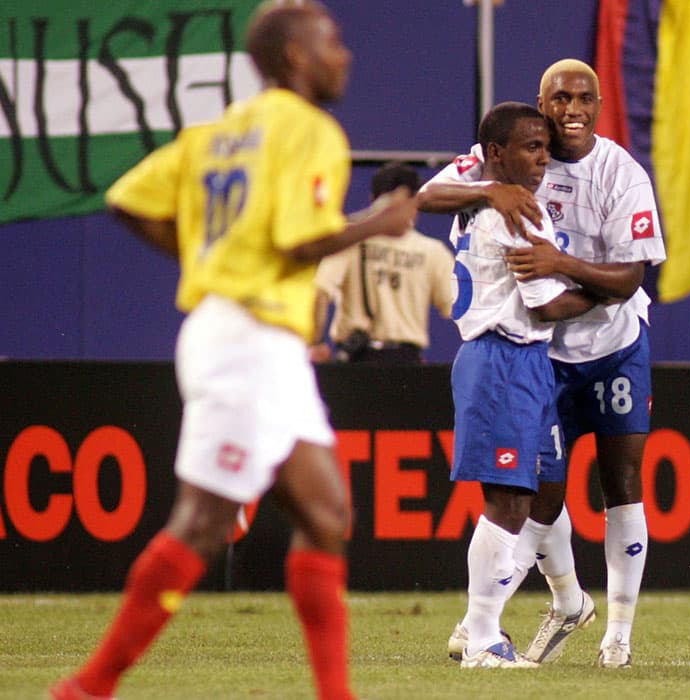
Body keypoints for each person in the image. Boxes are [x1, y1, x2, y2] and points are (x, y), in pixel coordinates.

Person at [49, 4, 416, 699]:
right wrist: (378, 221)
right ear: (294, 58)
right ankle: (85, 689)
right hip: (247, 337)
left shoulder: (218, 133)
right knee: (204, 522)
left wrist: (206, 258)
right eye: (331, 43)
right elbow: (294, 242)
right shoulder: (309, 129)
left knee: (325, 514)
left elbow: (127, 199)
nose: (345, 55)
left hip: (250, 336)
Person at [419, 58, 666, 668]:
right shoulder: (512, 184)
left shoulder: (619, 173)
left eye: (585, 98)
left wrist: (574, 273)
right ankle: (514, 618)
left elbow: (633, 272)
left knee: (614, 486)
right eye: (559, 99)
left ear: (602, 105)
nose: (571, 111)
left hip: (606, 349)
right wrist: (491, 189)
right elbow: (426, 193)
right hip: (526, 353)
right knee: (527, 500)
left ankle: (613, 632)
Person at [448, 101, 606, 669]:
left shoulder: (473, 196)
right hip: (504, 356)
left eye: (544, 147)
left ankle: (561, 600)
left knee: (536, 494)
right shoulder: (519, 212)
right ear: (496, 153)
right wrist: (610, 290)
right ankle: (483, 636)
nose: (544, 159)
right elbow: (548, 307)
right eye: (531, 147)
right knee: (507, 501)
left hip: (522, 361)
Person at [311, 162, 454, 365]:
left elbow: (319, 293)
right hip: (393, 358)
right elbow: (459, 308)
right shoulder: (431, 251)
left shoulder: (351, 238)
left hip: (361, 362)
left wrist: (315, 343)